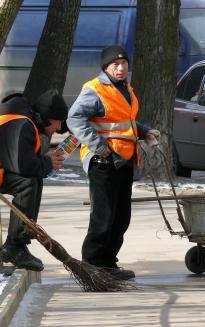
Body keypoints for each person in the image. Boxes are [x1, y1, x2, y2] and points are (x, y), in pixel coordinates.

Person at [67, 45, 160, 280]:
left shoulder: (126, 88)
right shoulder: (95, 89)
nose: (120, 68)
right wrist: (101, 148)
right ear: (106, 67)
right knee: (103, 217)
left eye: (124, 64)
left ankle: (109, 264)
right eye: (115, 65)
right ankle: (93, 265)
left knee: (120, 218)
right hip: (103, 162)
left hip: (124, 160)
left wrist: (145, 132)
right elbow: (75, 119)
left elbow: (123, 122)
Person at [0, 90, 68, 271]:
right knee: (27, 183)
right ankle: (15, 246)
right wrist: (47, 162)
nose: (59, 127)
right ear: (48, 117)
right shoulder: (21, 123)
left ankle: (20, 242)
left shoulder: (23, 121)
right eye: (59, 121)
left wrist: (45, 162)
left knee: (33, 180)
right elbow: (22, 166)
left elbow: (23, 161)